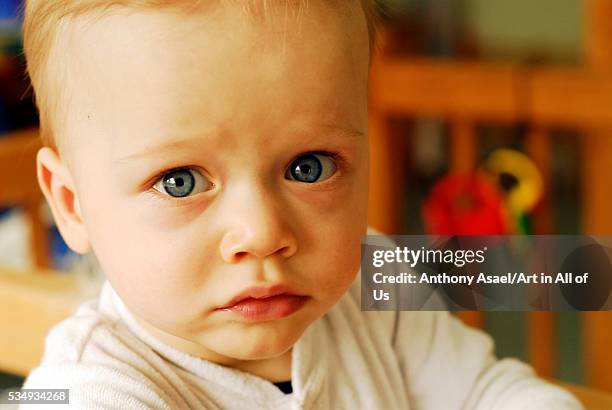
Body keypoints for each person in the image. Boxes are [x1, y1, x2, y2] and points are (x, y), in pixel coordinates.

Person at [20, 0, 582, 408]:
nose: (262, 232)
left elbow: (482, 391)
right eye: (181, 181)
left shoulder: (373, 285)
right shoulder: (87, 391)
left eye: (308, 167)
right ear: (72, 205)